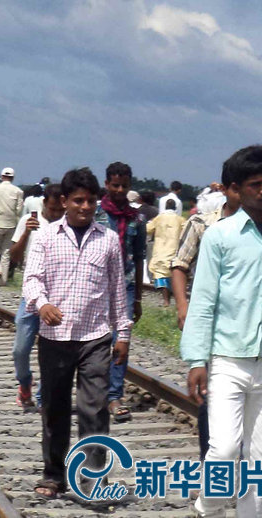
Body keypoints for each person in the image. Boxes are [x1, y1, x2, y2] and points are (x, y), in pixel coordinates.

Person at [181, 145, 262, 518]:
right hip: (228, 359)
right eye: (256, 184)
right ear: (237, 188)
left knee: (260, 460)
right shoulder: (220, 236)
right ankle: (206, 508)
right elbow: (204, 300)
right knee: (223, 449)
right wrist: (196, 359)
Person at [23, 168, 131, 499]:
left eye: (90, 200)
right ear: (64, 201)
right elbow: (31, 279)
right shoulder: (44, 236)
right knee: (54, 408)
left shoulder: (108, 239)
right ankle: (54, 474)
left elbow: (117, 288)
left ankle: (93, 480)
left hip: (95, 337)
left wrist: (123, 333)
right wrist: (42, 305)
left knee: (94, 409)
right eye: (78, 200)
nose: (85, 207)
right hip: (55, 339)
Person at [170, 161, 240, 462]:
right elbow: (179, 265)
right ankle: (212, 467)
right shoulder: (203, 224)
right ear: (226, 190)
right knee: (210, 398)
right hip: (211, 322)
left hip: (251, 328)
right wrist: (183, 305)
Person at [93, 162, 144, 424]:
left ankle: (114, 394)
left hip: (125, 284)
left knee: (120, 340)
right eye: (115, 185)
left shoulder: (136, 218)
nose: (120, 190)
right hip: (95, 283)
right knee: (94, 339)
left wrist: (137, 298)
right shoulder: (96, 213)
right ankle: (92, 390)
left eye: (125, 185)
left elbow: (139, 257)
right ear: (107, 184)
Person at [9, 184, 63, 411]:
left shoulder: (67, 225)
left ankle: (43, 396)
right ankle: (25, 383)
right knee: (20, 349)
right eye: (51, 210)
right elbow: (14, 256)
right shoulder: (28, 222)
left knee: (52, 351)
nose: (55, 215)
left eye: (59, 210)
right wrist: (26, 233)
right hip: (31, 297)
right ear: (44, 205)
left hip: (59, 296)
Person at [0, 167, 24, 284]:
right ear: (12, 178)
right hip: (10, 224)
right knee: (6, 251)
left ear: (1, 177)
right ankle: (3, 279)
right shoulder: (18, 191)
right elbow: (19, 210)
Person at [146, 199, 185, 307]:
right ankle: (175, 300)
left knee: (160, 274)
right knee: (173, 274)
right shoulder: (180, 219)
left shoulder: (158, 218)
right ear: (175, 208)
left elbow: (148, 229)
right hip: (174, 250)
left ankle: (165, 301)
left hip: (160, 250)